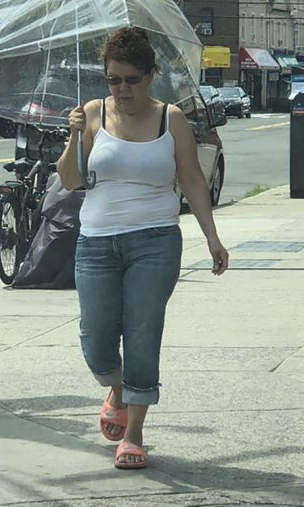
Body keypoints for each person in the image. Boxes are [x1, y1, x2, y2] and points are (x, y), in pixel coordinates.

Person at [56, 26, 228, 470]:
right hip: (95, 243)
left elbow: (191, 178)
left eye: (131, 79)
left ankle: (134, 433)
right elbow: (71, 180)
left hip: (155, 241)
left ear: (150, 75)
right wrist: (75, 135)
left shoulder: (170, 118)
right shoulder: (92, 113)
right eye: (114, 79)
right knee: (95, 342)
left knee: (142, 334)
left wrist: (211, 236)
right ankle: (116, 390)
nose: (122, 89)